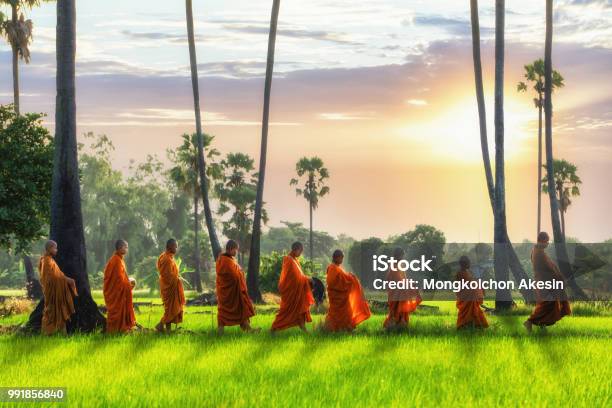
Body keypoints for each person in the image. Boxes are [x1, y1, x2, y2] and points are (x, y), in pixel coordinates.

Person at [524, 232, 571, 332]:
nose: (547, 243)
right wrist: (559, 278)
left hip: (544, 281)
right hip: (544, 282)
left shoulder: (537, 251)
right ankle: (530, 321)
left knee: (549, 304)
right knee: (547, 303)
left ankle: (542, 325)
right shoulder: (539, 253)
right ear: (541, 240)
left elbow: (551, 267)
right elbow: (549, 269)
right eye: (546, 241)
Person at [271, 242, 314, 333]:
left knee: (300, 310)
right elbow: (294, 277)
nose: (301, 253)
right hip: (291, 292)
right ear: (296, 249)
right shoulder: (289, 260)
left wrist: (306, 278)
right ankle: (273, 328)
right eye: (300, 251)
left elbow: (299, 275)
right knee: (285, 312)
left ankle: (304, 329)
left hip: (297, 291)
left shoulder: (295, 260)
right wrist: (307, 279)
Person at [216, 240, 257, 335]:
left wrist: (240, 274)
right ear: (230, 249)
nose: (236, 252)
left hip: (236, 291)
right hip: (228, 291)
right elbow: (231, 275)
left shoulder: (230, 259)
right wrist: (240, 274)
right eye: (235, 250)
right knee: (223, 312)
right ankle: (220, 332)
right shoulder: (224, 260)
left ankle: (248, 329)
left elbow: (236, 272)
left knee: (242, 309)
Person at [324, 250, 371, 332]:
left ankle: (344, 329)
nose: (342, 260)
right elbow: (333, 283)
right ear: (337, 257)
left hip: (342, 298)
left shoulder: (337, 268)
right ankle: (334, 329)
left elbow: (343, 278)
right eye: (341, 258)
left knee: (346, 313)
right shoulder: (332, 268)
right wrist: (351, 278)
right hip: (337, 298)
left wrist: (350, 277)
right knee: (338, 314)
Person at [39, 240, 77, 335]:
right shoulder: (46, 261)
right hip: (51, 291)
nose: (57, 250)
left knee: (59, 309)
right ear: (50, 248)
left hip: (57, 290)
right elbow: (50, 278)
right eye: (55, 248)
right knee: (51, 311)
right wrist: (66, 280)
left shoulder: (50, 260)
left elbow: (58, 274)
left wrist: (67, 279)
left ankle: (61, 333)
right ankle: (47, 333)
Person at [103, 240, 136, 333]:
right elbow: (118, 280)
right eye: (126, 247)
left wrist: (129, 282)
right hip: (115, 292)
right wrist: (128, 285)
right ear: (120, 247)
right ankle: (116, 330)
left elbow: (122, 277)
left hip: (119, 290)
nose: (127, 249)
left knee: (121, 309)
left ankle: (121, 329)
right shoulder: (116, 260)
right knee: (116, 311)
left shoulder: (119, 259)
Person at [383, 247, 421, 330]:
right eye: (402, 255)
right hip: (396, 292)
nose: (403, 257)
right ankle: (393, 327)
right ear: (398, 255)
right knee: (396, 310)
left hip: (400, 292)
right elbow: (392, 279)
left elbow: (403, 278)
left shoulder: (399, 265)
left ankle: (399, 327)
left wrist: (408, 283)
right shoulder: (394, 265)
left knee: (401, 309)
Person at [155, 239, 185, 333]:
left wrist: (177, 278)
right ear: (170, 246)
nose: (177, 248)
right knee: (170, 310)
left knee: (170, 309)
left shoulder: (168, 257)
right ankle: (160, 325)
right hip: (168, 287)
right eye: (175, 246)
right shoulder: (166, 259)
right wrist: (178, 279)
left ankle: (168, 331)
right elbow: (167, 276)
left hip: (171, 287)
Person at [455, 255, 489, 329]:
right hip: (467, 297)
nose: (470, 265)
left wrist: (479, 286)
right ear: (464, 264)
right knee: (470, 311)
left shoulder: (467, 272)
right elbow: (462, 285)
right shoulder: (460, 273)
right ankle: (466, 325)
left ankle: (475, 325)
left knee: (474, 310)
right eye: (468, 263)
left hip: (471, 296)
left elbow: (471, 282)